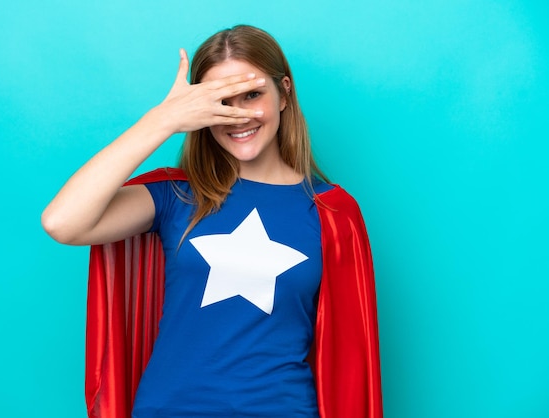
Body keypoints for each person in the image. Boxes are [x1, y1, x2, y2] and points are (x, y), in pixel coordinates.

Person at [42, 25, 382, 418]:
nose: (238, 116)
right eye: (221, 100)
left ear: (284, 93)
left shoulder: (333, 212)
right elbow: (62, 222)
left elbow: (352, 356)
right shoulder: (177, 195)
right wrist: (163, 120)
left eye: (252, 95)